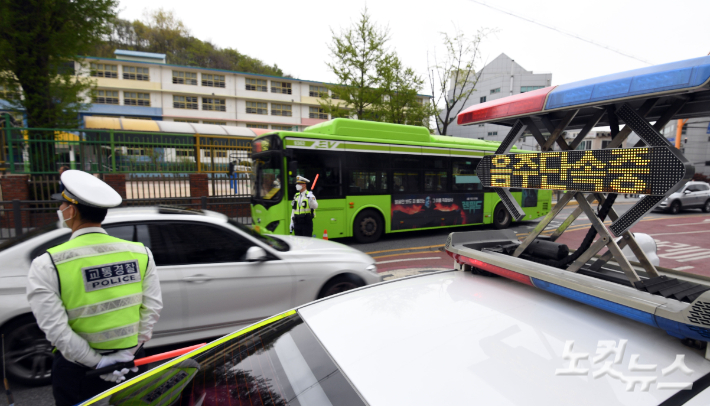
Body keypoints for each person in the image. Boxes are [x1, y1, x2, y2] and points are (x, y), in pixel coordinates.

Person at [26, 170, 163, 406]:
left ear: (72, 210)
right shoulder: (140, 253)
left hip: (79, 374)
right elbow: (151, 310)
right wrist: (125, 355)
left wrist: (98, 363)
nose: (60, 210)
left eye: (62, 205)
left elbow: (56, 329)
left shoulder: (47, 264)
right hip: (131, 364)